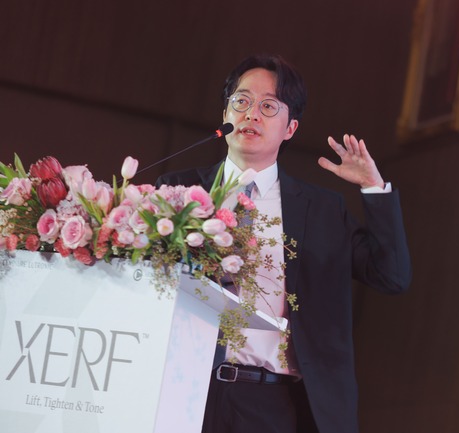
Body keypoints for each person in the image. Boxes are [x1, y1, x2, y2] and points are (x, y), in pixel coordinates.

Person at [156, 54, 411, 433]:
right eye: (241, 101)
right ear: (225, 113)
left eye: (268, 106)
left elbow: (392, 276)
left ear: (290, 128)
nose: (251, 114)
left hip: (273, 404)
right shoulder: (177, 191)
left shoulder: (323, 211)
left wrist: (374, 188)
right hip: (182, 389)